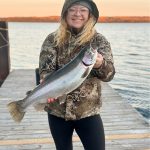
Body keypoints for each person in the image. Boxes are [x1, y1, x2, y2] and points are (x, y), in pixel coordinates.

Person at [39, 0, 115, 149]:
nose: (77, 14)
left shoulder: (98, 40)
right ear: (65, 13)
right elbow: (45, 70)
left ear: (90, 15)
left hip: (88, 112)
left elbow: (109, 75)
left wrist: (101, 65)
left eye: (83, 10)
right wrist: (45, 82)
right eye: (72, 10)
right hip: (57, 111)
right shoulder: (52, 39)